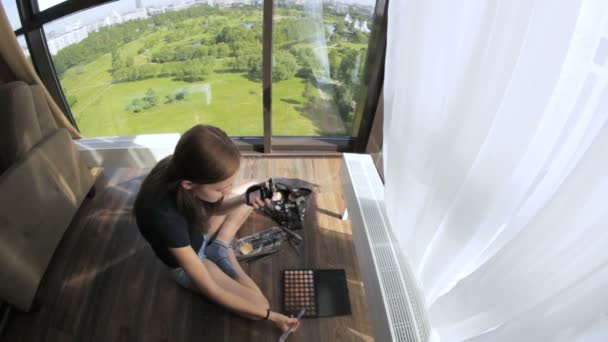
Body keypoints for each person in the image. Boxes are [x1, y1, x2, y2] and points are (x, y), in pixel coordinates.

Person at [133, 124, 300, 333]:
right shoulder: (165, 218)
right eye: (222, 188)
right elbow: (210, 289)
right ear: (188, 184)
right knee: (260, 306)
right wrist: (271, 316)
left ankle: (220, 245)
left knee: (251, 188)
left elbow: (214, 207)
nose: (227, 191)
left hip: (197, 229)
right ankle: (223, 250)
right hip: (193, 259)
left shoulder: (178, 166)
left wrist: (243, 198)